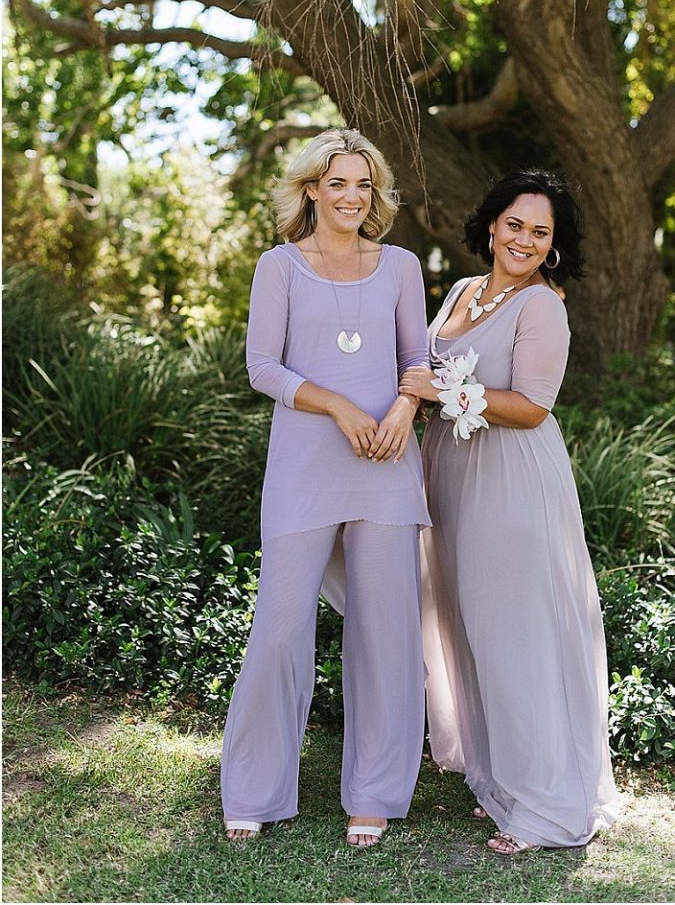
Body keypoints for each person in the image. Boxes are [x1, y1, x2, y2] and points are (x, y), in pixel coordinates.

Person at [221, 129, 431, 847]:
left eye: (363, 185)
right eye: (337, 183)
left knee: (385, 630)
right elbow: (262, 367)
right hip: (305, 466)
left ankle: (374, 792)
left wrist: (402, 410)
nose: (352, 197)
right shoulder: (279, 266)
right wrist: (339, 405)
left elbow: (417, 359)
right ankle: (254, 787)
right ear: (311, 189)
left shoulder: (400, 265)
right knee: (280, 627)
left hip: (386, 464)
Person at [399, 169, 619, 855]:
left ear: (554, 244)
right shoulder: (462, 291)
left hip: (511, 481)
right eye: (515, 224)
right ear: (492, 224)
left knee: (516, 634)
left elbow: (531, 407)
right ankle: (503, 780)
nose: (524, 240)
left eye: (540, 232)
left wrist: (441, 392)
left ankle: (545, 805)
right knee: (473, 627)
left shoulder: (542, 306)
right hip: (452, 477)